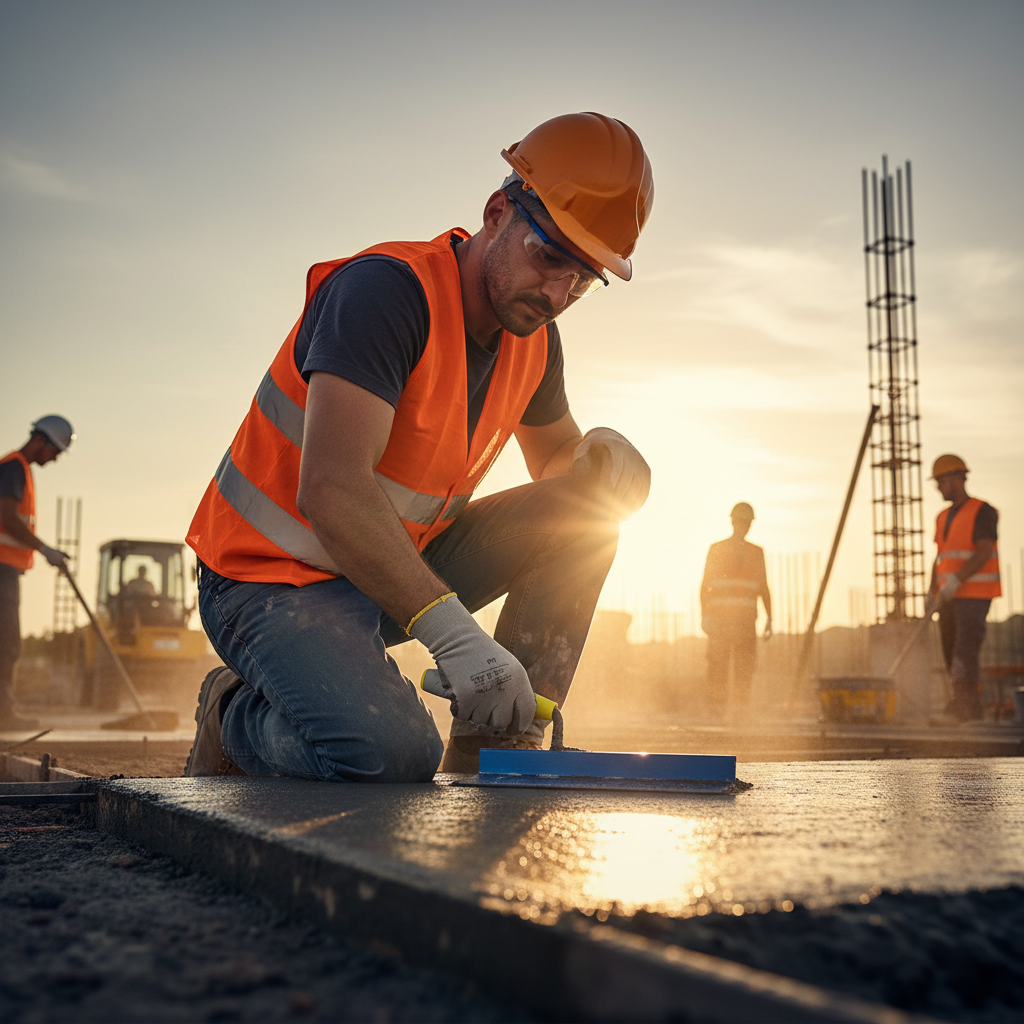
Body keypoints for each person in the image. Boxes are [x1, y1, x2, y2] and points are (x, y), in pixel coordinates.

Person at [184, 112, 654, 780]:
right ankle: (230, 713)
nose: (558, 293)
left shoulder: (533, 337)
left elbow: (558, 471)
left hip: (380, 570)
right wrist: (456, 637)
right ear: (497, 213)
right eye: (549, 255)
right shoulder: (386, 293)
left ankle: (499, 746)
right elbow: (333, 490)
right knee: (393, 757)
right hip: (266, 580)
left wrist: (595, 460)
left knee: (588, 513)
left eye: (583, 280)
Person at [0, 416, 75, 730]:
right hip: (2, 568)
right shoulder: (13, 468)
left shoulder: (18, 469)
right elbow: (7, 517)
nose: (54, 458)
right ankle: (4, 715)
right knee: (6, 644)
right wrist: (45, 550)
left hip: (8, 568)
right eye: (55, 451)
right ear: (41, 441)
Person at [926, 454, 1000, 723]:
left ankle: (961, 708)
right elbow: (940, 557)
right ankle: (969, 709)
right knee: (950, 651)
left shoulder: (982, 511)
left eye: (941, 481)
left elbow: (984, 550)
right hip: (948, 597)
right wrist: (931, 591)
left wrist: (957, 579)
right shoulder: (942, 517)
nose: (938, 487)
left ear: (957, 478)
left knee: (963, 651)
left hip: (973, 595)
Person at [700, 502, 772, 720]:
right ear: (734, 522)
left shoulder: (755, 553)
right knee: (719, 666)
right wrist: (705, 615)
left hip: (742, 621)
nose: (745, 526)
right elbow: (705, 586)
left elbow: (763, 587)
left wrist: (770, 617)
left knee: (742, 667)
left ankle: (738, 711)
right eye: (743, 522)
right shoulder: (718, 550)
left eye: (747, 523)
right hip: (723, 621)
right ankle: (717, 711)